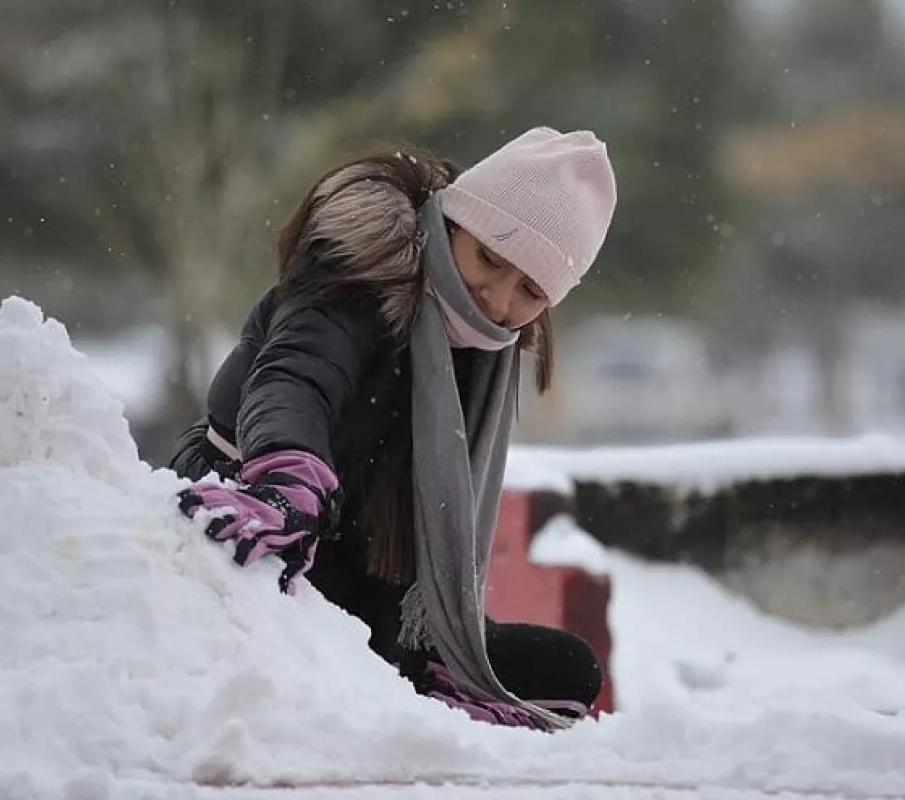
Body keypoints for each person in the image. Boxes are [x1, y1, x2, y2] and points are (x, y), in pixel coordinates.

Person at [168, 127, 618, 732]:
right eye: (490, 257)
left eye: (531, 290)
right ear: (456, 222)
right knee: (316, 645)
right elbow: (297, 377)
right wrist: (287, 472)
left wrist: (444, 633)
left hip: (366, 573)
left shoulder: (484, 353)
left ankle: (424, 676)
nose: (495, 296)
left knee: (567, 669)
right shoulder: (358, 281)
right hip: (260, 516)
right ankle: (393, 688)